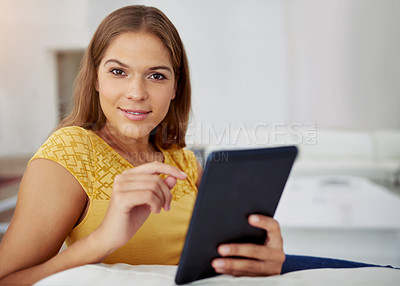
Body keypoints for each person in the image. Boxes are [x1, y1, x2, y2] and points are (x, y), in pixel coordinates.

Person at [0, 5, 286, 284]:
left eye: (156, 76)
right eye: (118, 72)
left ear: (175, 87)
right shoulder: (69, 152)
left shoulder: (182, 161)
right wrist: (103, 240)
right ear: (96, 78)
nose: (137, 93)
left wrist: (260, 260)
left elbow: (211, 264)